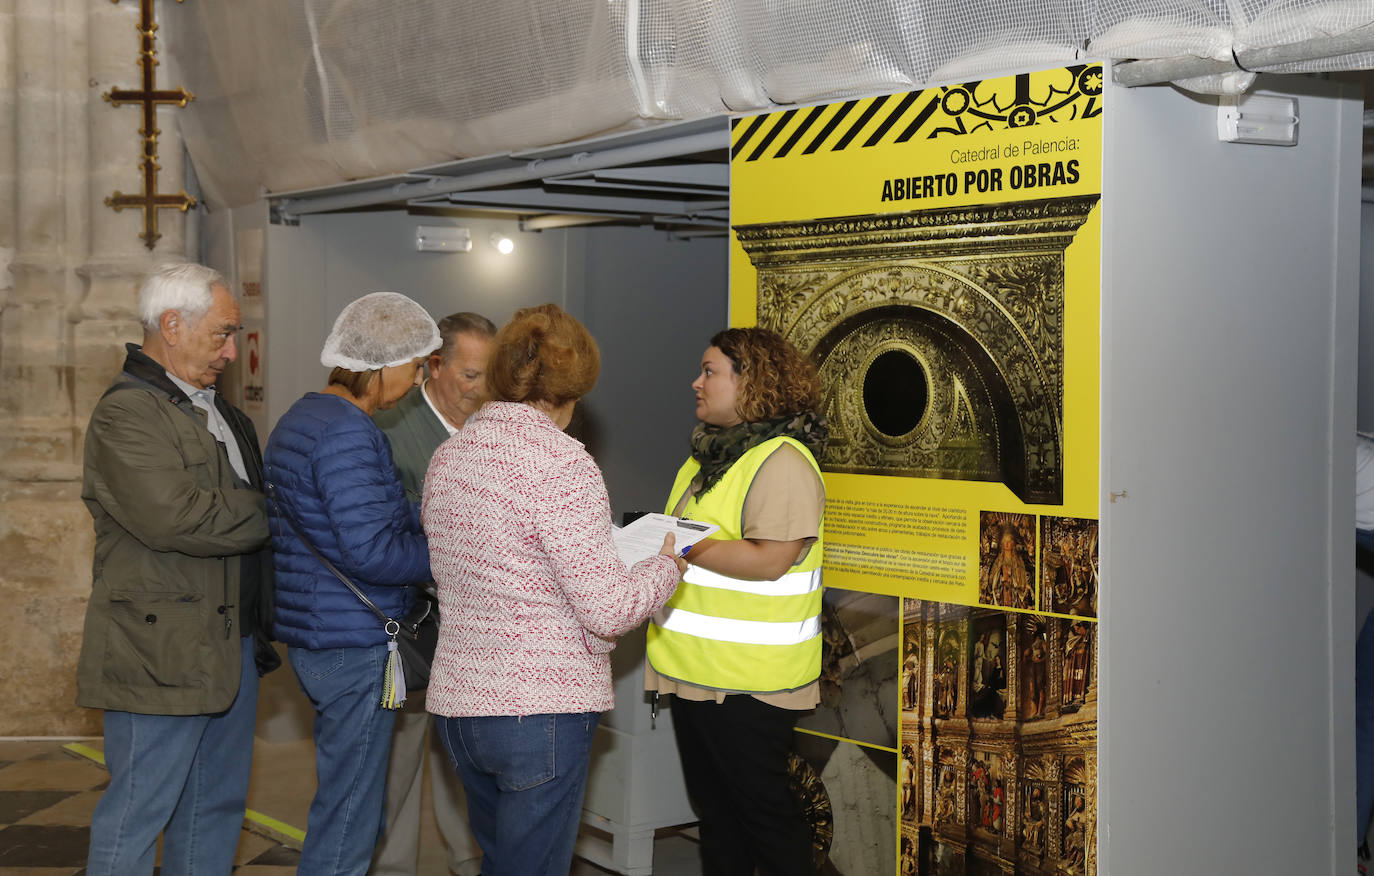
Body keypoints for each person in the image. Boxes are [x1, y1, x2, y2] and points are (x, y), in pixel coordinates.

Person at [422, 303, 683, 876]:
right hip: (540, 707)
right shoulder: (562, 463)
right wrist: (666, 567)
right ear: (573, 390)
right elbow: (608, 608)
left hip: (460, 707)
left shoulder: (449, 456)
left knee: (500, 862)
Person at [77, 261, 277, 875]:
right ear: (171, 324)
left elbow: (228, 507)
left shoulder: (218, 410)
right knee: (140, 812)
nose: (230, 351)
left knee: (214, 809)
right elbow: (181, 519)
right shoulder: (127, 414)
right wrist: (277, 513)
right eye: (221, 334)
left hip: (230, 642)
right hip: (158, 648)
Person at [645, 326, 828, 876]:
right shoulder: (706, 458)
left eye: (710, 372)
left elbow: (771, 559)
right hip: (693, 672)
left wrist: (682, 545)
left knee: (765, 820)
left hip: (750, 683)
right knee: (718, 818)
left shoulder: (782, 461)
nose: (695, 383)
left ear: (752, 383)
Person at [266, 291, 438, 876]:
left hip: (321, 629)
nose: (417, 382)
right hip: (352, 640)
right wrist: (451, 554)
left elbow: (368, 514)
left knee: (349, 798)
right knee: (350, 814)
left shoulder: (305, 415)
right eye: (415, 367)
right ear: (382, 363)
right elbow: (371, 551)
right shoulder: (347, 431)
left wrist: (436, 511)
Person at [371, 312, 496, 876]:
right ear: (435, 366)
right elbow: (384, 533)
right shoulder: (391, 426)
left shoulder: (492, 425)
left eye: (490, 375)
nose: (481, 389)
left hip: (474, 630)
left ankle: (466, 856)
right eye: (471, 375)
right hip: (409, 624)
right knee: (397, 760)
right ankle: (391, 865)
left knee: (463, 755)